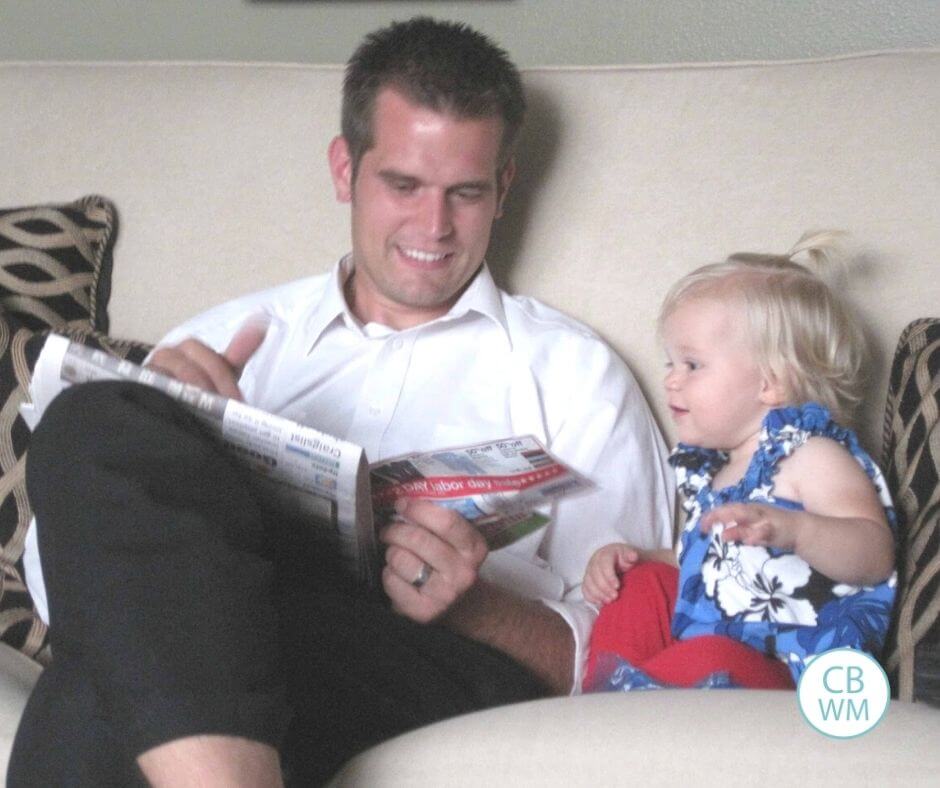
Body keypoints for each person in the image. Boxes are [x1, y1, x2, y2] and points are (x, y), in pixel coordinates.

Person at [11, 17, 674, 787]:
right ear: (342, 170)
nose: (434, 227)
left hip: (436, 667)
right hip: (239, 635)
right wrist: (162, 420)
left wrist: (477, 609)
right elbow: (75, 588)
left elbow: (643, 647)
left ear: (504, 188)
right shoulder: (233, 337)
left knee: (144, 662)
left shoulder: (574, 374)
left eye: (466, 192)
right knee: (100, 417)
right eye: (404, 185)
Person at [581, 232, 897, 693]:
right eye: (670, 363)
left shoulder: (810, 457)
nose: (670, 380)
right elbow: (709, 569)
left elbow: (874, 554)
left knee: (711, 657)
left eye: (692, 365)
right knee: (641, 583)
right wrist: (637, 558)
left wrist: (796, 530)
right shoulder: (716, 472)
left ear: (769, 383)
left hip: (793, 678)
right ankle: (607, 702)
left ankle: (634, 706)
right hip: (705, 668)